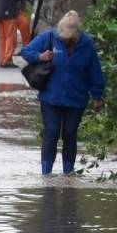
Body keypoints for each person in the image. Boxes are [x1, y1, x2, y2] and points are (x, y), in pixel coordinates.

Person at [19, 10, 105, 176]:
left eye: (69, 38)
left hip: (76, 99)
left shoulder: (86, 44)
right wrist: (40, 56)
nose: (65, 40)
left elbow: (94, 72)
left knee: (70, 134)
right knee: (51, 132)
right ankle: (46, 174)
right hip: (51, 97)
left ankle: (68, 173)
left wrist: (97, 96)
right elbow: (26, 52)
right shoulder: (50, 37)